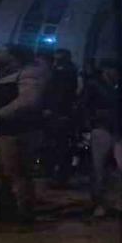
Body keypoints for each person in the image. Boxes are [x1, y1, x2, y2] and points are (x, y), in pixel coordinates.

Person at [0, 44, 49, 222]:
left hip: (18, 129)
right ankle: (12, 208)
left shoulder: (28, 74)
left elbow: (28, 100)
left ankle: (23, 211)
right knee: (9, 171)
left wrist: (1, 112)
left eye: (4, 51)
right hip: (7, 129)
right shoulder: (7, 73)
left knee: (17, 171)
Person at [82, 59, 122, 217]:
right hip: (101, 128)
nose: (115, 73)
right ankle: (100, 203)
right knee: (100, 169)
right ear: (105, 70)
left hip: (118, 129)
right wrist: (89, 125)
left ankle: (118, 199)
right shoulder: (94, 85)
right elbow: (84, 106)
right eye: (112, 70)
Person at [43, 48, 79, 186]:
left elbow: (60, 94)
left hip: (60, 114)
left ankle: (59, 176)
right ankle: (59, 175)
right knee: (60, 146)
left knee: (59, 146)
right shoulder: (68, 72)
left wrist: (52, 109)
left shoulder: (63, 74)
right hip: (62, 114)